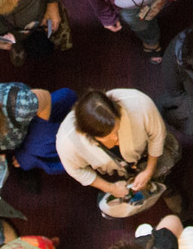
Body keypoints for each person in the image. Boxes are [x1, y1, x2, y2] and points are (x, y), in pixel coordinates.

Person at [57, 88, 184, 218]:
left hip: (146, 154)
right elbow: (76, 171)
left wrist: (149, 170)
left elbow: (157, 136)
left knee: (161, 174)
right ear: (88, 135)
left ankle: (167, 190)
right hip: (119, 167)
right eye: (108, 137)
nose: (117, 139)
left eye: (117, 130)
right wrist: (110, 188)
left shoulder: (140, 104)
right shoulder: (67, 144)